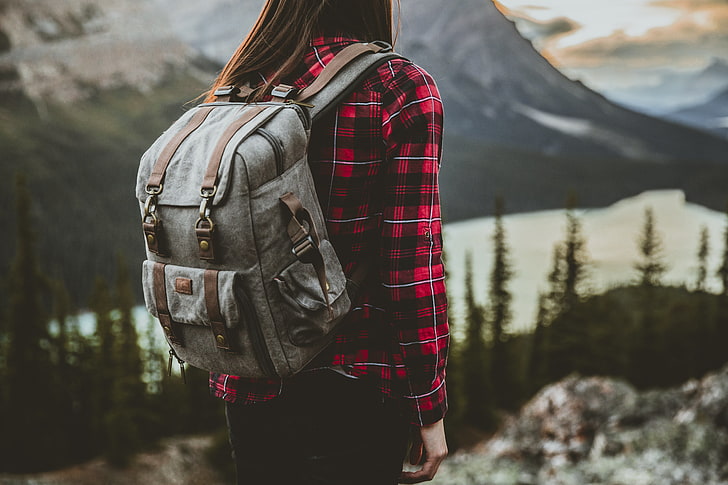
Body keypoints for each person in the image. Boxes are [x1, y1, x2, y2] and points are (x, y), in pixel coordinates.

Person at [205, 1, 449, 483]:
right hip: (354, 380)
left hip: (249, 379)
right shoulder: (397, 87)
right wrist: (429, 405)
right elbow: (410, 265)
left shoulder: (244, 82)